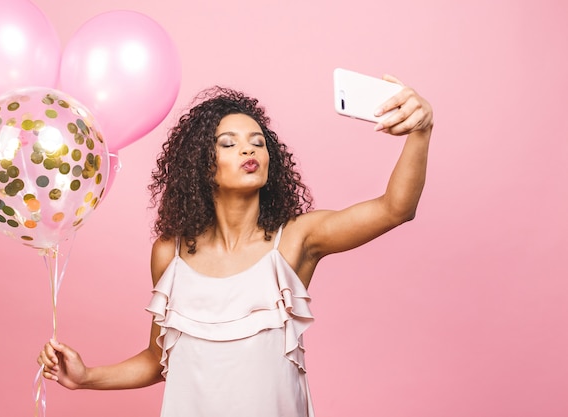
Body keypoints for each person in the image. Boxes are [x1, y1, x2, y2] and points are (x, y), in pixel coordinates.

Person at [37, 74, 434, 417]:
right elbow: (159, 361)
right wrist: (87, 377)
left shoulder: (296, 239)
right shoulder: (169, 254)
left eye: (257, 142)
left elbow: (395, 208)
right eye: (228, 144)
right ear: (201, 164)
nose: (248, 150)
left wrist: (421, 130)